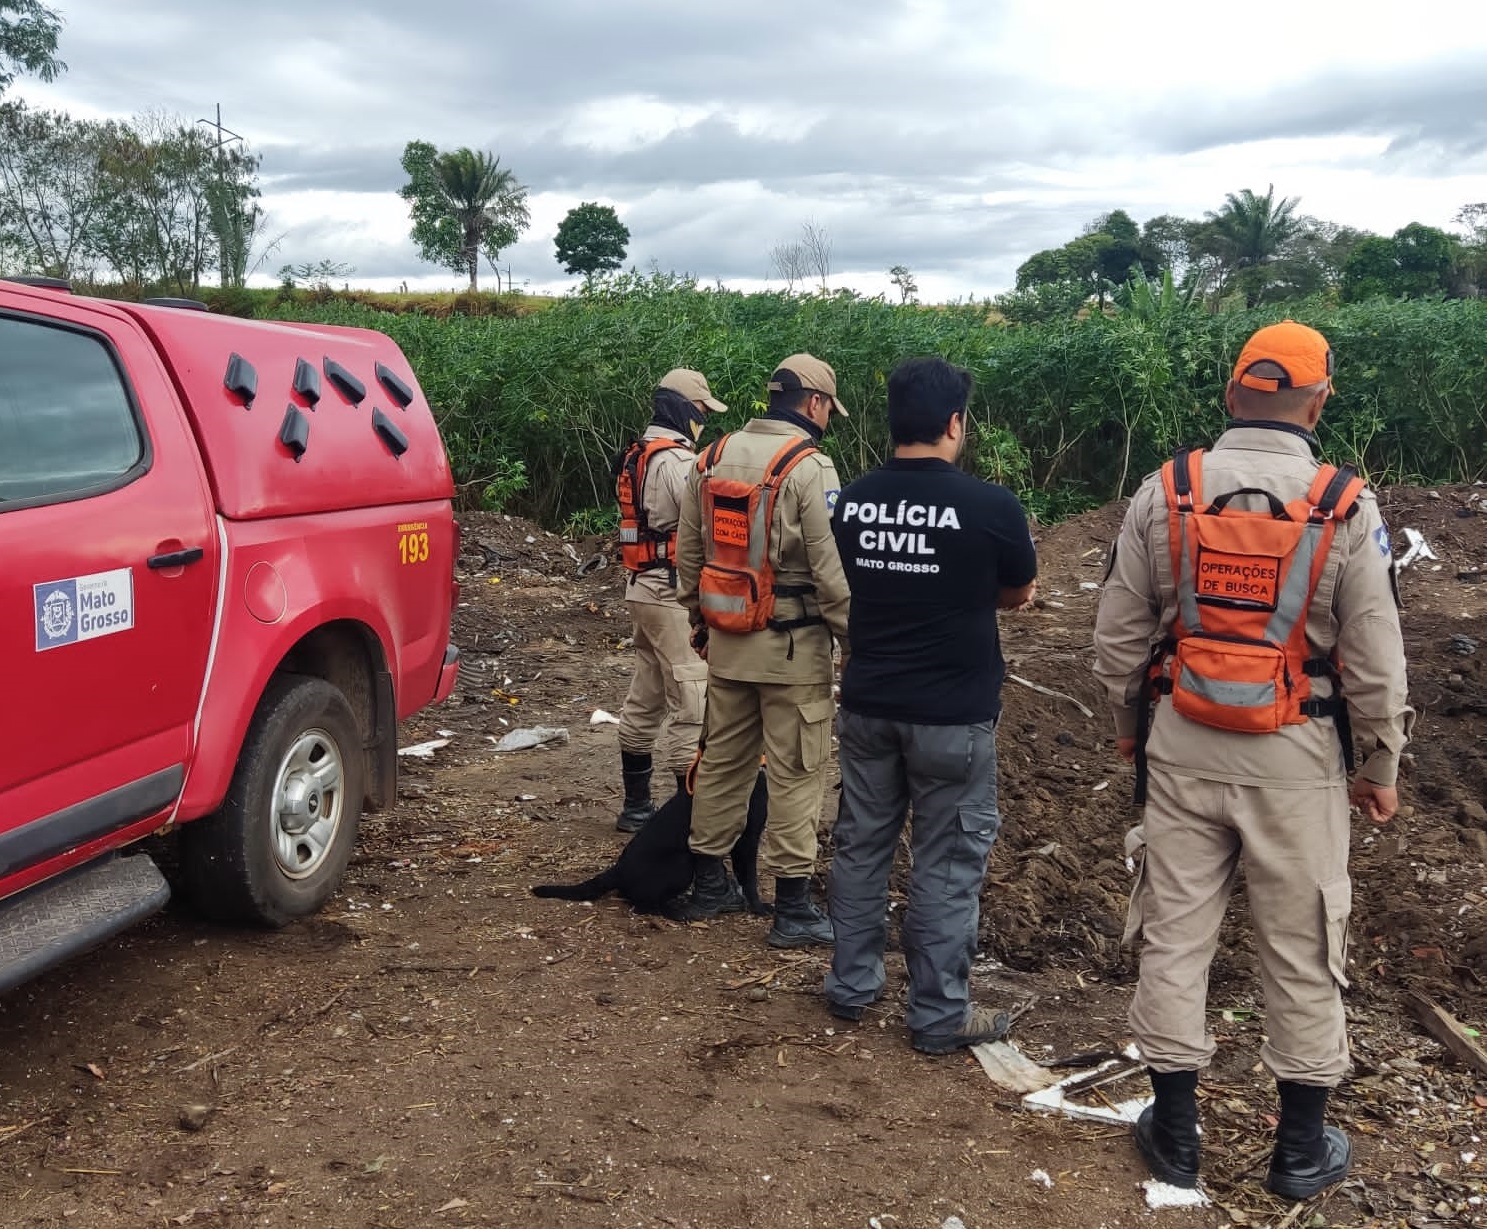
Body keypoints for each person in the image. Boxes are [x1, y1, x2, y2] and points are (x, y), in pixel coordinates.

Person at [1093, 321, 1412, 1198]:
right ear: (1317, 402)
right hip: (1296, 757)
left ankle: (1177, 1134)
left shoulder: (1167, 491)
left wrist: (1131, 726)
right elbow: (1377, 663)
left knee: (1173, 932)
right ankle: (1299, 1151)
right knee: (1304, 945)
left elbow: (1117, 638)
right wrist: (1378, 767)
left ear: (1232, 393)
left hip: (1181, 743)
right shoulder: (1345, 503)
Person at [823, 356, 1037, 1055]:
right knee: (945, 864)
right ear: (954, 422)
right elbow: (1017, 593)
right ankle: (937, 1014)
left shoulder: (851, 500)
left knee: (860, 846)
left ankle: (850, 986)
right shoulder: (991, 507)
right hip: (952, 714)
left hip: (867, 702)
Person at [674, 354, 851, 946]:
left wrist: (700, 620)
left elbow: (690, 553)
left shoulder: (712, 456)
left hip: (728, 642)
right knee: (799, 770)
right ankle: (794, 906)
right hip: (793, 650)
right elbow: (832, 572)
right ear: (816, 403)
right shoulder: (809, 466)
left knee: (723, 759)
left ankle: (709, 885)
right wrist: (855, 640)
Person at [613, 369, 728, 832]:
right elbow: (705, 521)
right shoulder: (677, 462)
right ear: (684, 410)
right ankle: (688, 817)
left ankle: (636, 806)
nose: (703, 420)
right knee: (692, 697)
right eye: (701, 411)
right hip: (670, 594)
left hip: (641, 589)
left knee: (647, 694)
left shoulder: (636, 455)